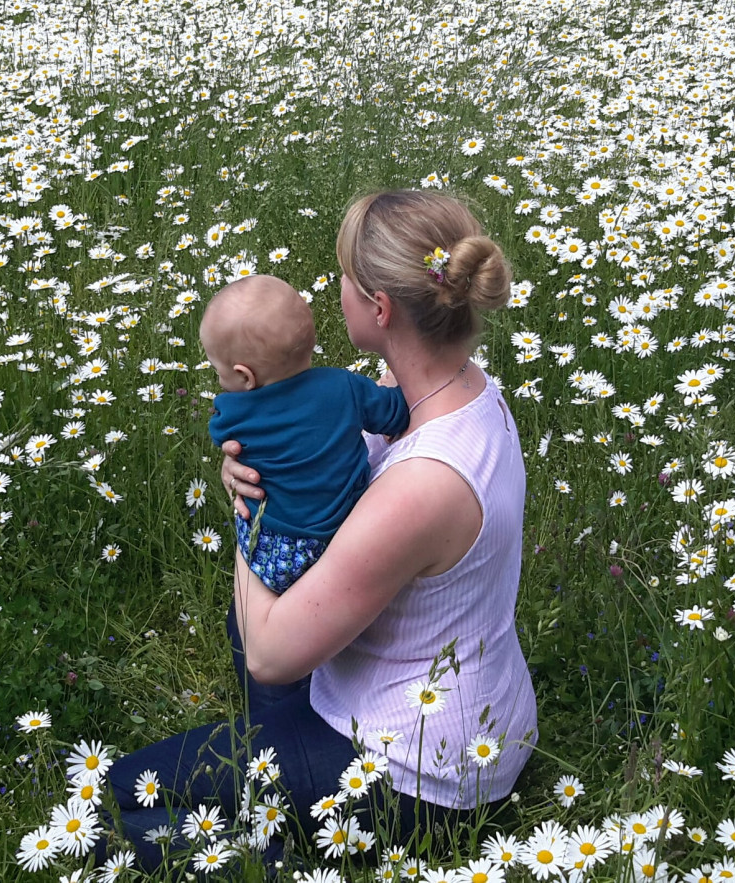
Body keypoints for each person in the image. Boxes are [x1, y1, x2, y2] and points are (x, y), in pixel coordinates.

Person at [104, 190, 537, 871]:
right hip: (479, 715)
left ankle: (278, 859)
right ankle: (275, 786)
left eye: (340, 276)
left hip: (419, 776)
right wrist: (257, 469)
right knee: (241, 621)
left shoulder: (424, 484)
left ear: (379, 307)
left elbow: (270, 656)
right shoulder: (463, 391)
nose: (331, 291)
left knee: (117, 801)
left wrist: (255, 511)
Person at [200, 274, 410, 594]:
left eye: (218, 371)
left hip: (273, 551)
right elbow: (396, 413)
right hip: (342, 541)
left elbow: (227, 444)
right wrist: (399, 378)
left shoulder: (232, 413)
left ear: (245, 376)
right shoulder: (345, 387)